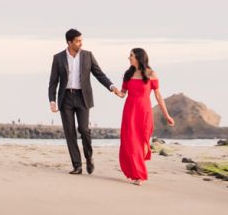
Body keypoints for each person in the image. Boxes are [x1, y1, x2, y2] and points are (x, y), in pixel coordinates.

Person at [48, 28, 122, 175]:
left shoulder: (88, 56)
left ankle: (89, 158)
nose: (81, 43)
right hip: (66, 98)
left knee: (84, 129)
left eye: (81, 40)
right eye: (78, 41)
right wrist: (52, 100)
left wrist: (112, 87)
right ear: (69, 42)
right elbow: (53, 82)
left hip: (83, 97)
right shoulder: (58, 58)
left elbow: (99, 74)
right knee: (70, 132)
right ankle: (77, 166)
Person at [118, 47, 174, 185]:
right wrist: (113, 89)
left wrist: (167, 115)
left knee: (142, 141)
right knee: (130, 142)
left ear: (138, 57)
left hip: (144, 111)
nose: (129, 58)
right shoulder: (128, 74)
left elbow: (158, 96)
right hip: (129, 111)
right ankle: (138, 174)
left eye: (131, 55)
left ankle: (139, 171)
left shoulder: (151, 73)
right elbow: (122, 94)